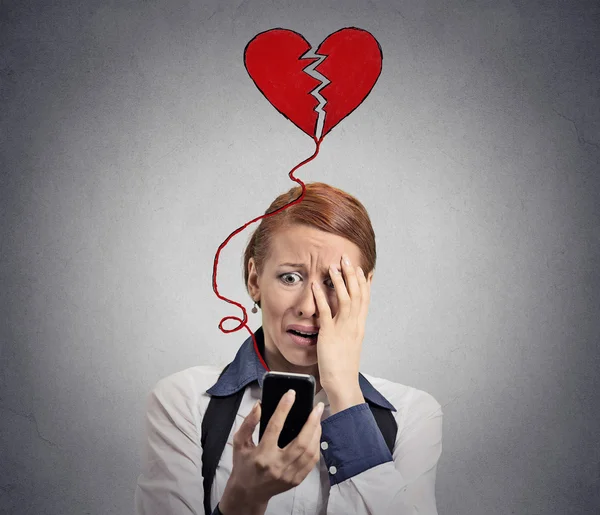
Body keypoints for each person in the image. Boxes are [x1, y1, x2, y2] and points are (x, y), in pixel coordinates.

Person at [134, 182, 443, 514]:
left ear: (364, 289)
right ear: (255, 280)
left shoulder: (412, 414)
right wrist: (244, 498)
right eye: (290, 278)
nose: (309, 308)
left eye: (333, 281)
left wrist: (344, 393)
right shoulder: (185, 401)